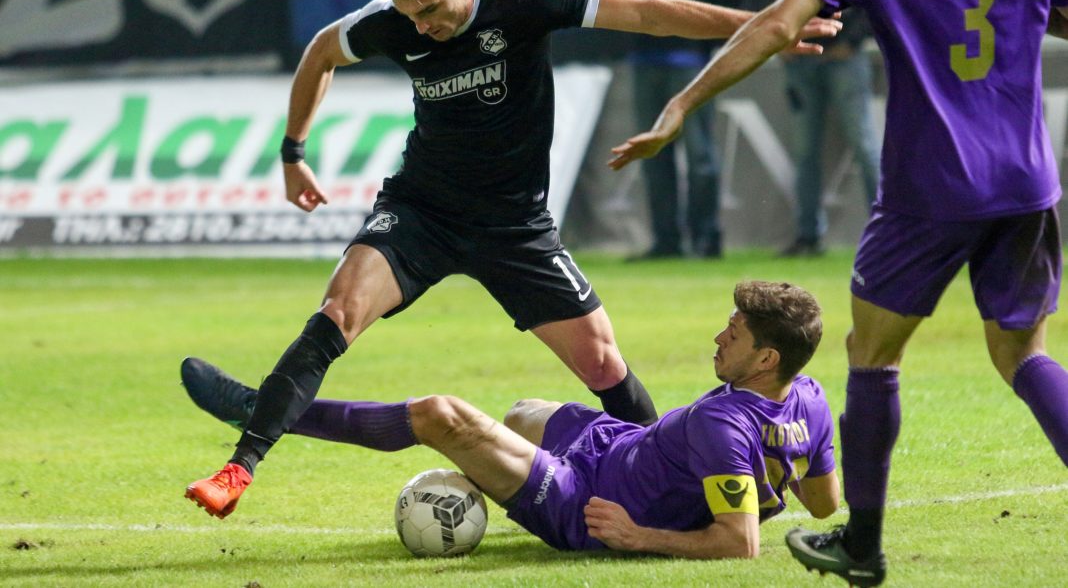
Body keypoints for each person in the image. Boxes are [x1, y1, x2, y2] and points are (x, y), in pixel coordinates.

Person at [183, 0, 841, 520]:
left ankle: (674, 489)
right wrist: (293, 152)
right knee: (338, 311)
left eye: (431, 10)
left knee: (602, 363)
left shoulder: (525, 0)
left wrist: (769, 27)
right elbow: (321, 53)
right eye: (409, 15)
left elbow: (650, 14)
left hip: (515, 227)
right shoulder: (391, 21)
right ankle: (240, 466)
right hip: (421, 212)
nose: (421, 27)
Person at [609, 0, 1068, 585]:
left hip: (930, 186)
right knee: (1023, 355)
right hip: (1027, 181)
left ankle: (863, 545)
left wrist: (682, 103)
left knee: (873, 356)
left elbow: (776, 25)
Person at [181, 281, 840, 558]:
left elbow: (739, 542)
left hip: (588, 499)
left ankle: (268, 412)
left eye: (734, 334)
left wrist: (639, 535)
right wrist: (773, 471)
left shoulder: (725, 427)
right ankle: (491, 474)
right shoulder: (808, 398)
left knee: (443, 416)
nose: (719, 338)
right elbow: (821, 503)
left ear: (766, 359)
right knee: (523, 412)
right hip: (619, 444)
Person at [612, 0, 743, 259]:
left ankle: (706, 238)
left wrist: (712, 38)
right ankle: (666, 240)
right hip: (643, 58)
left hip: (690, 58)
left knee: (700, 155)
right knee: (651, 155)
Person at [773, 0, 880, 256]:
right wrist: (780, 41)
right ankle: (808, 235)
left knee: (864, 145)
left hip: (844, 58)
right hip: (802, 58)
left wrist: (855, 40)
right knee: (805, 151)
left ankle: (884, 233)